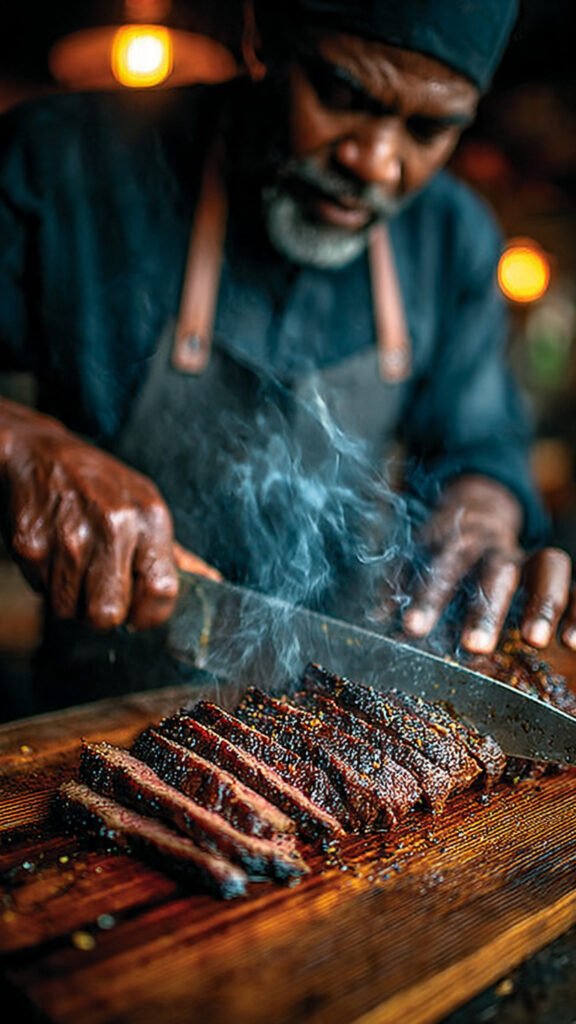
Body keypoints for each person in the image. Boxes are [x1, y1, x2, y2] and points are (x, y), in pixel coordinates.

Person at [0, 0, 574, 712]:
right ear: (262, 39)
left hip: (336, 714)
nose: (376, 162)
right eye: (339, 94)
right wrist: (17, 441)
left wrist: (483, 513)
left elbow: (481, 446)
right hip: (89, 712)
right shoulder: (64, 162)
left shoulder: (451, 238)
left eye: (429, 129)